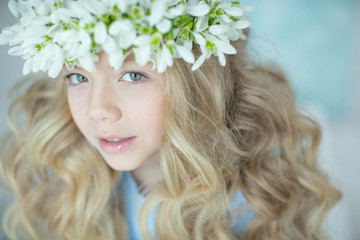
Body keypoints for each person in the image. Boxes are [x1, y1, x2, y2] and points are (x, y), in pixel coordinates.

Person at [0, 0, 341, 239]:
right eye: (77, 77)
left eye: (133, 76)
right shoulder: (70, 180)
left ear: (196, 84)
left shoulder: (253, 203)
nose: (98, 109)